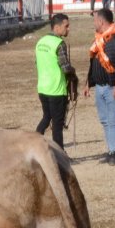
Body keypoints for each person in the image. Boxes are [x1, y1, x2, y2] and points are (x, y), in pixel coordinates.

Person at [83, 9, 115, 165]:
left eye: (95, 20)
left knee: (112, 119)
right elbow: (94, 62)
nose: (93, 23)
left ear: (101, 22)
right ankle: (111, 149)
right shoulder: (99, 39)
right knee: (105, 120)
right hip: (100, 85)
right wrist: (88, 83)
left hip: (113, 86)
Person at [35, 13, 78, 149]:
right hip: (57, 90)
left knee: (46, 118)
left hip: (42, 88)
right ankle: (60, 154)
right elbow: (65, 68)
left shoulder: (40, 42)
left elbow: (37, 63)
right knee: (57, 125)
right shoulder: (59, 43)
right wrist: (73, 72)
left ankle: (34, 144)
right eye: (66, 26)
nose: (68, 29)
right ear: (57, 27)